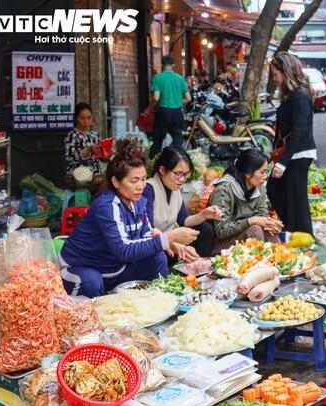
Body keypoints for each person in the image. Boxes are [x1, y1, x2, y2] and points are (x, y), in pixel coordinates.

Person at [59, 139, 199, 298]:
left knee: (158, 257)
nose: (141, 186)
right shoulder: (107, 205)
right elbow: (122, 250)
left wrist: (171, 243)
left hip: (115, 269)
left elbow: (146, 234)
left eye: (144, 178)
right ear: (116, 182)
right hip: (81, 269)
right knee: (92, 282)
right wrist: (168, 238)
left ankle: (162, 303)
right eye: (134, 181)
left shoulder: (138, 201)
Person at [267, 51, 316, 235]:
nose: (274, 78)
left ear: (285, 71)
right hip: (292, 153)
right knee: (278, 191)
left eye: (276, 74)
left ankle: (303, 237)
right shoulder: (292, 95)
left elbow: (299, 131)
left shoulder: (299, 96)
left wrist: (282, 162)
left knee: (297, 200)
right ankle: (295, 232)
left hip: (299, 153)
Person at [143, 146, 221, 259]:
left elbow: (184, 220)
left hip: (174, 240)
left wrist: (204, 214)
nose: (182, 179)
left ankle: (199, 267)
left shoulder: (175, 189)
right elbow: (148, 228)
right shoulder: (149, 189)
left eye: (186, 174)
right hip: (157, 242)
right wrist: (171, 242)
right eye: (178, 173)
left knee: (205, 229)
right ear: (162, 170)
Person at [209, 148, 283, 251]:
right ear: (248, 173)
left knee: (268, 231)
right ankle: (258, 264)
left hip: (243, 237)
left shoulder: (259, 190)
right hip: (219, 245)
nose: (265, 177)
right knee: (255, 230)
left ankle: (281, 261)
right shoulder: (224, 190)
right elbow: (221, 230)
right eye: (262, 172)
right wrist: (250, 221)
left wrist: (271, 225)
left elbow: (262, 216)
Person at [145, 55, 191, 159]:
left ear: (162, 64)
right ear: (173, 65)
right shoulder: (180, 79)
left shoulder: (158, 78)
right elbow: (188, 98)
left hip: (163, 112)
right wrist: (177, 102)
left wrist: (149, 109)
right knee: (178, 141)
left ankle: (152, 163)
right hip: (177, 113)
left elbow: (156, 98)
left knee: (158, 140)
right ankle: (180, 161)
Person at [64, 102, 105, 192]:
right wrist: (89, 149)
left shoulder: (94, 135)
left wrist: (106, 153)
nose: (86, 121)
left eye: (89, 118)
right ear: (76, 119)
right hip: (77, 179)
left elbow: (102, 158)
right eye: (82, 118)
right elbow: (70, 157)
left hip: (96, 176)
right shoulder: (72, 136)